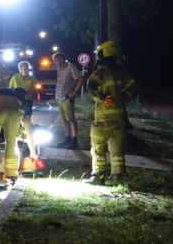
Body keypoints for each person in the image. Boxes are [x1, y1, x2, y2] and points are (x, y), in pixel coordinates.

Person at [83, 41, 139, 184]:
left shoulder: (102, 69)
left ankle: (98, 175)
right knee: (116, 146)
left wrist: (101, 98)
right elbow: (133, 85)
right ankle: (117, 175)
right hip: (120, 117)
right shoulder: (120, 70)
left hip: (104, 116)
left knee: (98, 146)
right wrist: (124, 96)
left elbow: (90, 85)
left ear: (102, 54)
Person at [53, 52, 84, 149]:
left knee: (71, 119)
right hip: (60, 97)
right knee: (64, 119)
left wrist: (75, 92)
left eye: (56, 60)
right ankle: (67, 138)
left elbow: (81, 78)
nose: (55, 62)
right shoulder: (59, 69)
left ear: (61, 59)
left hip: (67, 98)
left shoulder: (71, 67)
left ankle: (74, 140)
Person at [9, 61, 37, 158]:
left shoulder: (32, 78)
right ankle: (14, 151)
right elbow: (10, 89)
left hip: (27, 102)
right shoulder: (15, 77)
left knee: (28, 130)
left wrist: (30, 92)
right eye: (24, 68)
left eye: (27, 68)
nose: (26, 70)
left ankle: (32, 154)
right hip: (15, 103)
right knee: (15, 129)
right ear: (20, 69)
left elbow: (36, 91)